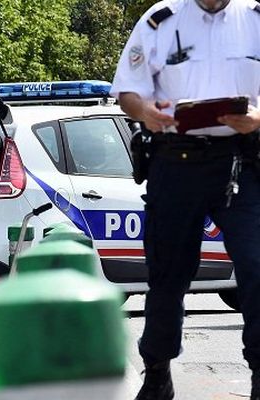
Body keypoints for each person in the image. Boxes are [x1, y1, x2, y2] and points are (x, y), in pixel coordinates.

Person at [112, 0, 260, 398]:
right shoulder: (161, 20)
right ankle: (157, 370)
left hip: (242, 162)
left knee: (257, 266)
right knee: (168, 273)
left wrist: (258, 118)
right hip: (175, 161)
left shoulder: (256, 18)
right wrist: (145, 111)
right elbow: (128, 91)